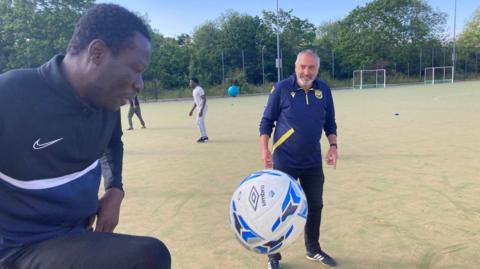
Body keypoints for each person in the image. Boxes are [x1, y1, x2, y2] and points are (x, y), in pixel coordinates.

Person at [0, 4, 170, 269]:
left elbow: (112, 144)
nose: (140, 84)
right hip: (18, 249)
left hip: (75, 238)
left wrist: (115, 189)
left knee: (149, 255)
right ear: (97, 53)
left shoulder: (106, 104)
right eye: (135, 69)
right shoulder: (12, 95)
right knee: (150, 256)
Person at [259, 49, 338, 269]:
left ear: (317, 69)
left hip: (312, 162)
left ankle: (313, 249)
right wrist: (265, 150)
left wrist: (333, 146)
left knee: (315, 205)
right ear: (295, 67)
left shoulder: (324, 90)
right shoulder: (282, 89)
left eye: (311, 67)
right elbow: (266, 122)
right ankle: (274, 255)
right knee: (277, 210)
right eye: (302, 66)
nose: (306, 71)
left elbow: (330, 122)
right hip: (285, 162)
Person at [188, 77, 209, 143]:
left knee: (199, 122)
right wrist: (192, 110)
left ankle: (203, 137)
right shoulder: (194, 90)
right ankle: (204, 136)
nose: (190, 84)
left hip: (203, 107)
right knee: (200, 122)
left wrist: (201, 110)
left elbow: (204, 99)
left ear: (195, 83)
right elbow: (196, 102)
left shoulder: (199, 89)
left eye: (191, 82)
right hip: (199, 107)